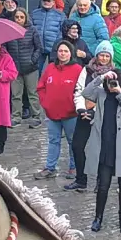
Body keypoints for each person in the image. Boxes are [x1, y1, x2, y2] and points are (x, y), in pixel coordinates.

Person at [81, 67, 121, 233]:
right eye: (109, 82)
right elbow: (86, 93)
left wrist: (120, 92)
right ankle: (98, 217)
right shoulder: (100, 93)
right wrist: (101, 77)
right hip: (105, 144)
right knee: (103, 185)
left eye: (114, 81)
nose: (111, 85)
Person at [36, 40, 83, 177]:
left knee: (72, 142)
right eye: (60, 51)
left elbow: (81, 90)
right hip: (52, 113)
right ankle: (50, 167)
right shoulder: (50, 68)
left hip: (71, 114)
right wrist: (45, 103)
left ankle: (74, 168)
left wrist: (76, 106)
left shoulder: (77, 69)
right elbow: (41, 87)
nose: (62, 54)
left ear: (71, 53)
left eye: (66, 51)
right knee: (53, 140)